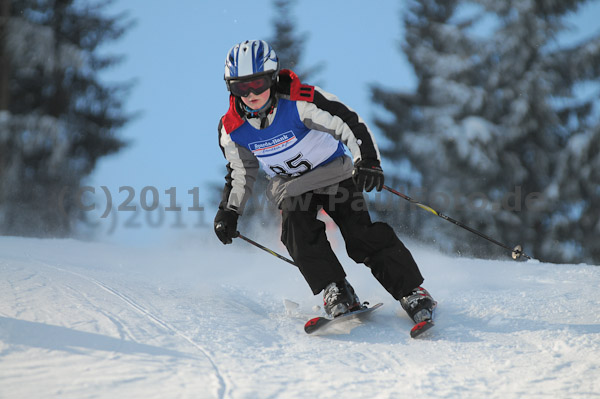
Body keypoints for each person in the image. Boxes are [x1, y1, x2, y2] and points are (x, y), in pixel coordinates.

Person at [214, 39, 435, 323]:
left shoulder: (299, 102)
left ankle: (412, 291)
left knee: (360, 234)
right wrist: (229, 211)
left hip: (334, 175)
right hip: (292, 187)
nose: (251, 93)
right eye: (240, 87)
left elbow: (348, 122)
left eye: (257, 83)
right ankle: (337, 289)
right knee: (296, 229)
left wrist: (366, 160)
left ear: (272, 78)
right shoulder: (232, 128)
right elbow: (240, 172)